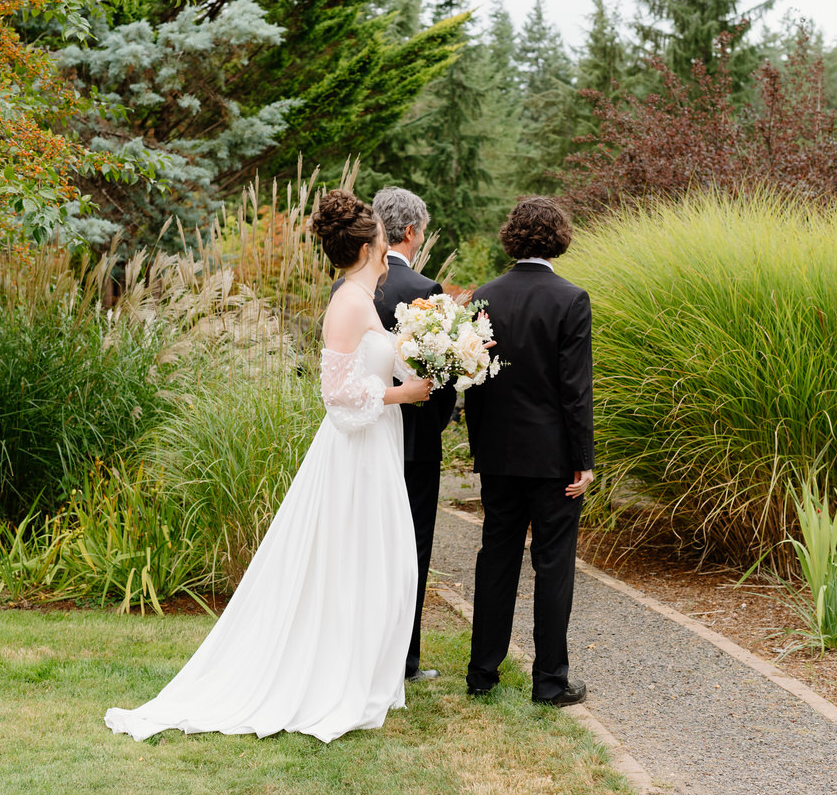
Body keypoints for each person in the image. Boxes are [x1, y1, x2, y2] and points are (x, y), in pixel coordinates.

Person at [104, 190, 432, 743]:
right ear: (371, 242)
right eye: (379, 233)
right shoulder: (349, 302)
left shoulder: (363, 297)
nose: (385, 239)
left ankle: (360, 672)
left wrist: (443, 352)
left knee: (378, 559)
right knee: (350, 560)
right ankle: (328, 680)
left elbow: (372, 365)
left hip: (374, 449)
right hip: (355, 455)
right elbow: (337, 395)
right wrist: (406, 395)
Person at [463, 196, 594, 707]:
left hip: (498, 455)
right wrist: (584, 459)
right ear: (559, 236)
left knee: (496, 557)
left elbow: (473, 381)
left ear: (512, 236)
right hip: (554, 459)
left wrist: (482, 447)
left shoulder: (483, 297)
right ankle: (549, 683)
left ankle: (481, 673)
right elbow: (574, 389)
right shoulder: (570, 299)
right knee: (553, 563)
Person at [344, 187, 456, 682]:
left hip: (358, 438)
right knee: (412, 547)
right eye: (423, 231)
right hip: (412, 442)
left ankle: (356, 650)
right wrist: (440, 421)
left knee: (361, 544)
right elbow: (441, 376)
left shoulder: (346, 287)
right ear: (411, 232)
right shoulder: (426, 290)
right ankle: (403, 661)